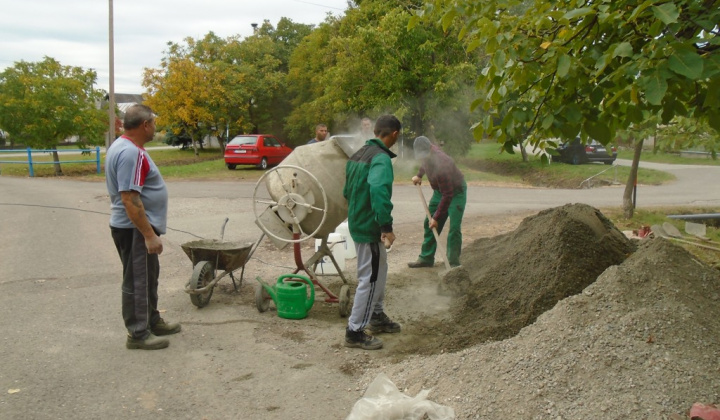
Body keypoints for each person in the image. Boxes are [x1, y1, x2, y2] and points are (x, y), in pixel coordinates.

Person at [106, 104, 181, 350]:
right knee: (138, 281)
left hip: (133, 228)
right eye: (154, 123)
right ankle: (138, 334)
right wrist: (149, 235)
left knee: (147, 277)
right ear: (145, 125)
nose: (155, 128)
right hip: (135, 229)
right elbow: (130, 198)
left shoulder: (123, 146)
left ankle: (151, 320)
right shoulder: (131, 153)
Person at [343, 114, 402, 350]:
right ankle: (355, 331)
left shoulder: (358, 154)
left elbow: (347, 191)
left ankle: (376, 316)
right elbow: (378, 190)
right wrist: (385, 226)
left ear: (376, 131)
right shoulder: (381, 159)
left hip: (359, 221)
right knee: (370, 278)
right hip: (369, 227)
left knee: (381, 269)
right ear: (394, 134)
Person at [408, 136, 467, 269]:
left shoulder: (443, 163)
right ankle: (426, 258)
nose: (423, 158)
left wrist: (436, 217)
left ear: (430, 149)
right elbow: (425, 163)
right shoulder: (427, 155)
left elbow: (448, 195)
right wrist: (419, 175)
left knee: (454, 228)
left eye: (424, 155)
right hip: (440, 191)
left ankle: (453, 264)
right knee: (428, 223)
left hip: (455, 192)